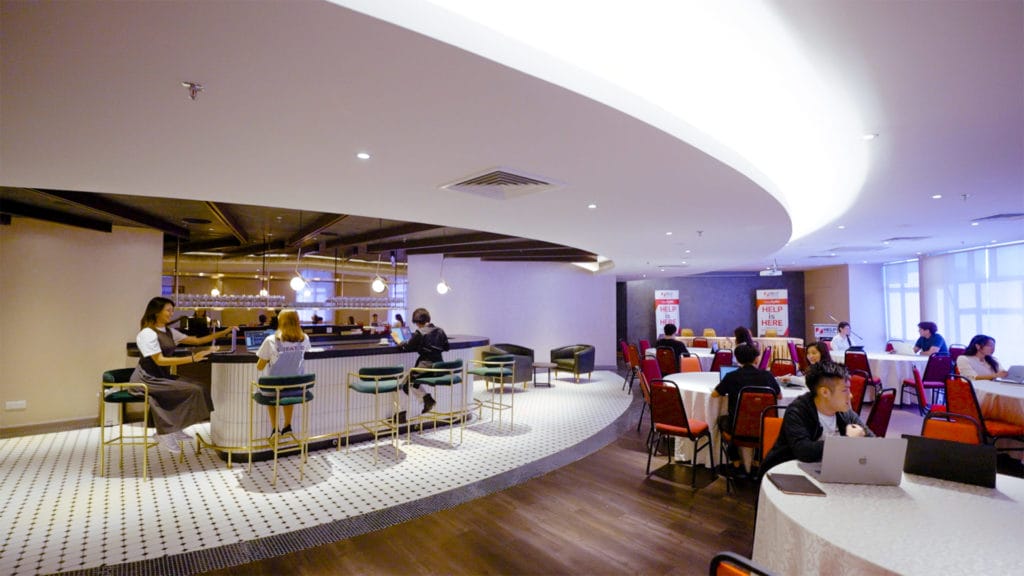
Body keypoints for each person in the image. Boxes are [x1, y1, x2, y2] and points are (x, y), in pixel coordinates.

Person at [130, 297, 237, 453]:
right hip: (148, 378)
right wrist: (193, 358)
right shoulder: (147, 333)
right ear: (156, 312)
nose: (171, 313)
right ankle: (164, 433)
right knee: (192, 390)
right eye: (168, 310)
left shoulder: (169, 331)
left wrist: (225, 332)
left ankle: (174, 428)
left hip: (161, 376)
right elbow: (159, 360)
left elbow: (197, 341)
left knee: (200, 387)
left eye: (172, 310)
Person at [761, 361, 872, 475]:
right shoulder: (798, 411)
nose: (851, 395)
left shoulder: (844, 412)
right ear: (825, 392)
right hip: (788, 473)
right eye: (845, 390)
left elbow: (872, 441)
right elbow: (803, 451)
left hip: (827, 472)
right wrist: (846, 441)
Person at [711, 344, 780, 469]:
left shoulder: (731, 376)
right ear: (756, 359)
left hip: (737, 427)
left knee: (722, 420)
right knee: (760, 420)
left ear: (737, 359)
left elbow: (714, 394)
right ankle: (757, 459)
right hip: (764, 426)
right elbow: (779, 396)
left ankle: (735, 460)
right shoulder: (767, 375)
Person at [255, 309, 312, 439]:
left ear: (280, 321)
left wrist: (270, 357)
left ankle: (275, 429)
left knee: (271, 389)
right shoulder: (304, 338)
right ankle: (287, 426)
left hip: (273, 390)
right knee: (288, 385)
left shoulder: (271, 340)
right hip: (296, 388)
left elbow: (259, 366)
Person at [399, 307, 450, 414]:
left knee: (405, 383)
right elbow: (447, 347)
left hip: (424, 368)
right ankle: (427, 400)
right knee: (412, 381)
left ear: (417, 321)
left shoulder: (419, 332)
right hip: (439, 368)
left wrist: (401, 343)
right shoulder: (440, 330)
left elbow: (408, 346)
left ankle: (403, 413)